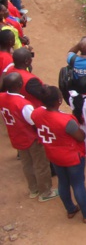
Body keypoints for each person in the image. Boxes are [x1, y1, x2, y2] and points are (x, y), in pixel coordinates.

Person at [31, 85, 86, 223]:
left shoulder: (36, 113)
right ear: (59, 100)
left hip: (53, 154)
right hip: (71, 156)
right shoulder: (65, 120)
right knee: (78, 184)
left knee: (63, 182)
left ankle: (70, 209)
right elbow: (80, 137)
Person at [0, 72, 56, 201]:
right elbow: (34, 122)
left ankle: (33, 189)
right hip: (31, 138)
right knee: (41, 164)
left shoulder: (2, 97)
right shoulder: (23, 104)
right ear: (20, 85)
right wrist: (41, 136)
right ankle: (45, 192)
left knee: (27, 164)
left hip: (16, 136)